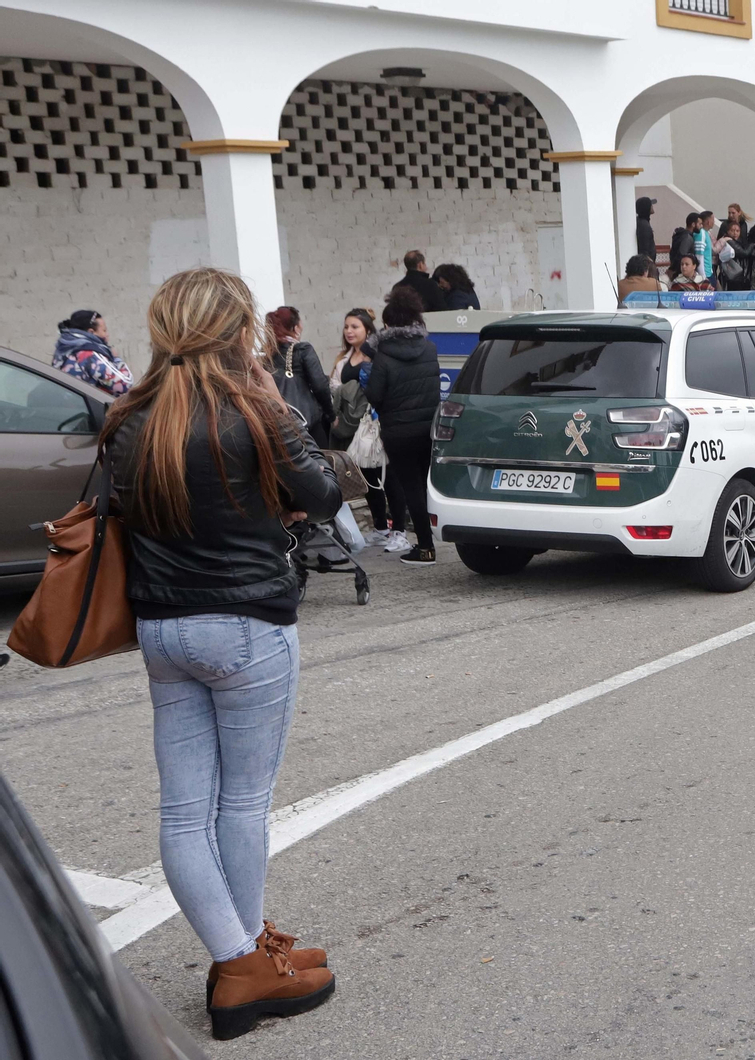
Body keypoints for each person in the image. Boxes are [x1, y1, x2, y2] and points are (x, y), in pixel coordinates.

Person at [102, 267, 341, 1039]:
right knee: (242, 804)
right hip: (245, 626)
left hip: (162, 630)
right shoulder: (250, 410)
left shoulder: (128, 416)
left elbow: (117, 510)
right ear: (235, 329)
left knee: (183, 812)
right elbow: (325, 493)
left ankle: (244, 952)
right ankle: (242, 967)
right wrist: (273, 404)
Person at [366, 286, 441, 565]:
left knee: (411, 488)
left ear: (388, 324)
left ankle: (425, 548)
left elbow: (374, 395)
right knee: (425, 484)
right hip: (428, 429)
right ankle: (430, 540)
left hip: (398, 431)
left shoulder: (383, 355)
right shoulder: (429, 348)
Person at [330, 309, 404, 549]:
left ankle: (399, 530)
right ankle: (380, 527)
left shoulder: (379, 356)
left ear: (368, 330)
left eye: (355, 327)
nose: (349, 331)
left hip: (377, 423)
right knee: (367, 479)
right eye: (346, 327)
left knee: (389, 476)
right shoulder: (344, 358)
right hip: (354, 427)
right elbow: (335, 387)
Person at [265, 306, 335, 448]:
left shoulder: (265, 356)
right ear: (296, 328)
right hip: (308, 424)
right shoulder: (302, 350)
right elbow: (320, 386)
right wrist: (331, 415)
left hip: (277, 425)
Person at [53, 309, 133, 396]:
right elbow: (125, 384)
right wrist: (116, 359)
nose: (107, 334)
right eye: (104, 330)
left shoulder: (63, 350)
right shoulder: (89, 354)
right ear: (91, 332)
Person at [715, 219, 752, 291]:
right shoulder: (729, 241)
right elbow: (744, 253)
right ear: (728, 231)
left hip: (733, 274)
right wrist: (752, 245)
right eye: (732, 230)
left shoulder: (737, 241)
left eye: (737, 231)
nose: (735, 233)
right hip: (731, 274)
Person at [670, 212, 699, 278]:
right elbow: (682, 255)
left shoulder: (681, 235)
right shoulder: (687, 238)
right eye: (699, 224)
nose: (701, 226)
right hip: (681, 274)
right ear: (693, 224)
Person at [694, 211, 717, 286]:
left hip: (709, 272)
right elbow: (699, 256)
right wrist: (703, 277)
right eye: (713, 219)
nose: (714, 222)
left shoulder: (706, 233)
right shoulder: (701, 233)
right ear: (708, 221)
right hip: (705, 275)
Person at [635, 195, 657, 266]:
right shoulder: (644, 226)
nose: (652, 206)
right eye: (650, 205)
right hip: (647, 265)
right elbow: (644, 250)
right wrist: (650, 265)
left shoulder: (640, 222)